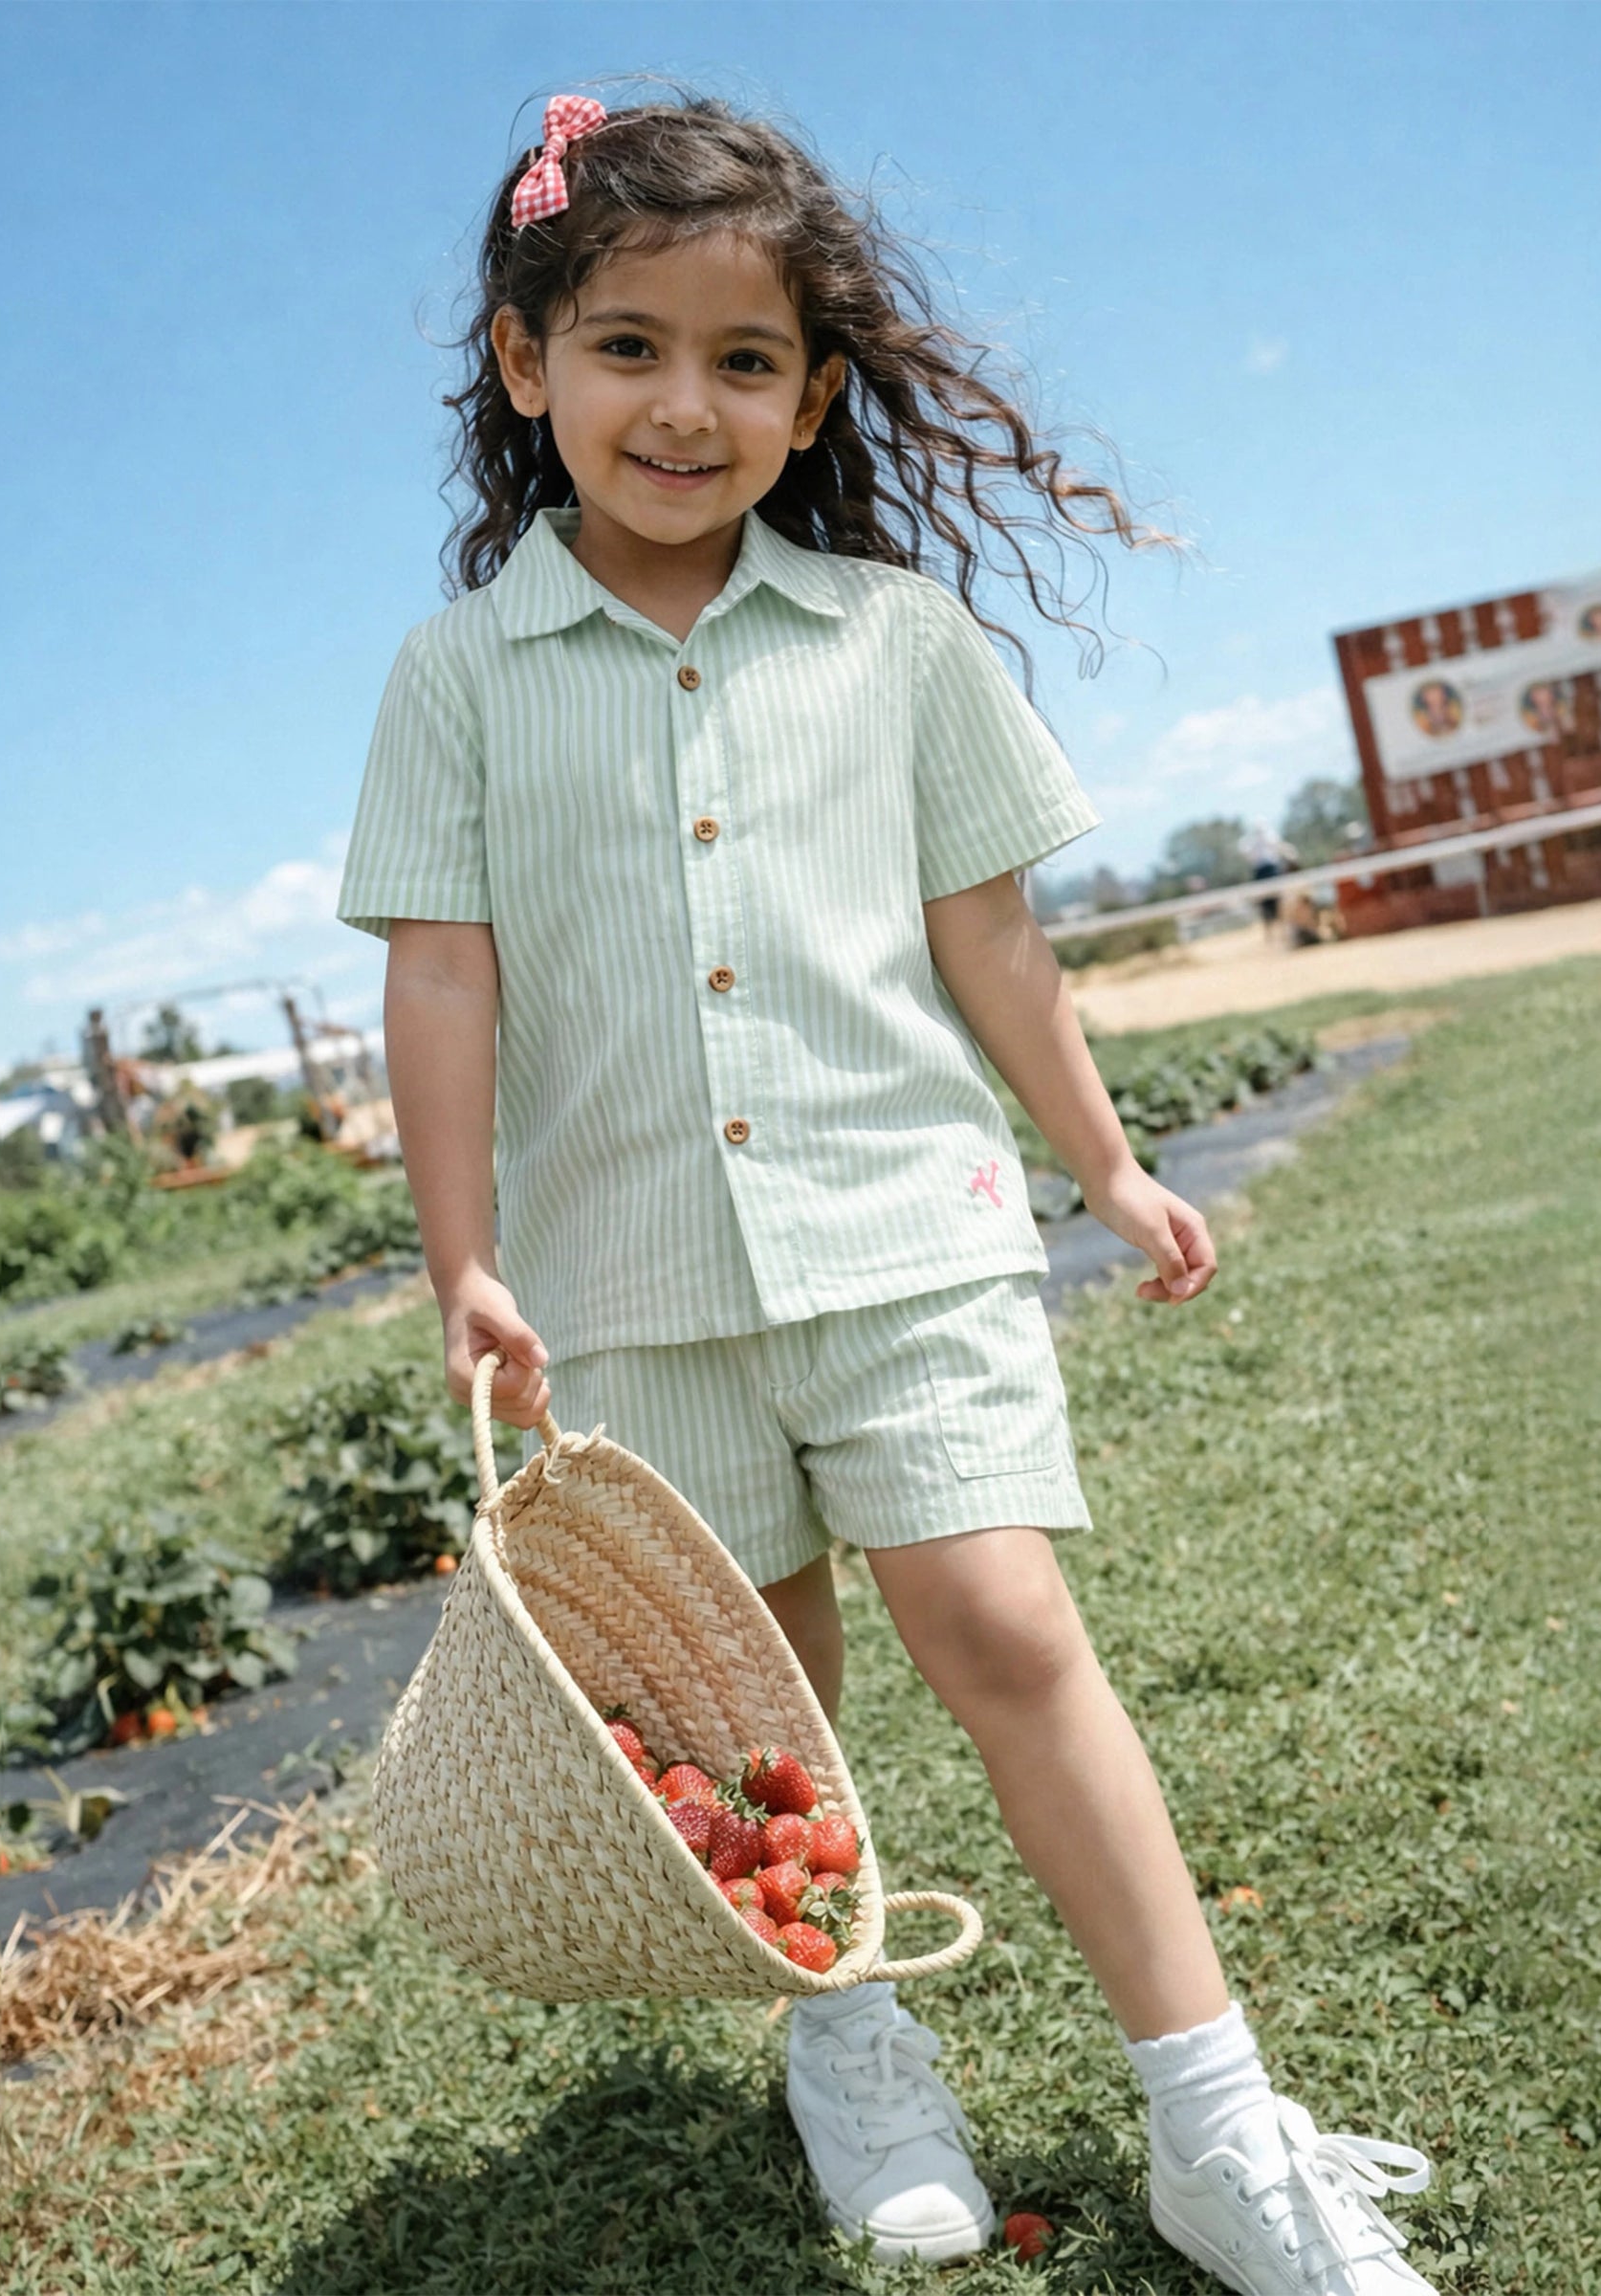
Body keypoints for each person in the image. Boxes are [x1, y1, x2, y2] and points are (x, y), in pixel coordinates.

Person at [338, 89, 1438, 2292]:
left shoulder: (892, 637)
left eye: (747, 360)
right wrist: (464, 1254)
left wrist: (1107, 1161)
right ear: (525, 360)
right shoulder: (457, 677)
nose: (686, 402)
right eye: (629, 344)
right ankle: (853, 2047)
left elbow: (994, 939)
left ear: (814, 393)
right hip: (624, 1272)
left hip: (903, 1226)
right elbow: (444, 983)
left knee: (1009, 1626)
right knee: (769, 1700)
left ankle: (1216, 2119)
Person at [1239, 820, 1301, 941]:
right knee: (1267, 906)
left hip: (1269, 872)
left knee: (1278, 903)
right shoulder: (1257, 841)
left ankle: (1280, 934)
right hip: (1265, 873)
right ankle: (1272, 936)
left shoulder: (1268, 838)